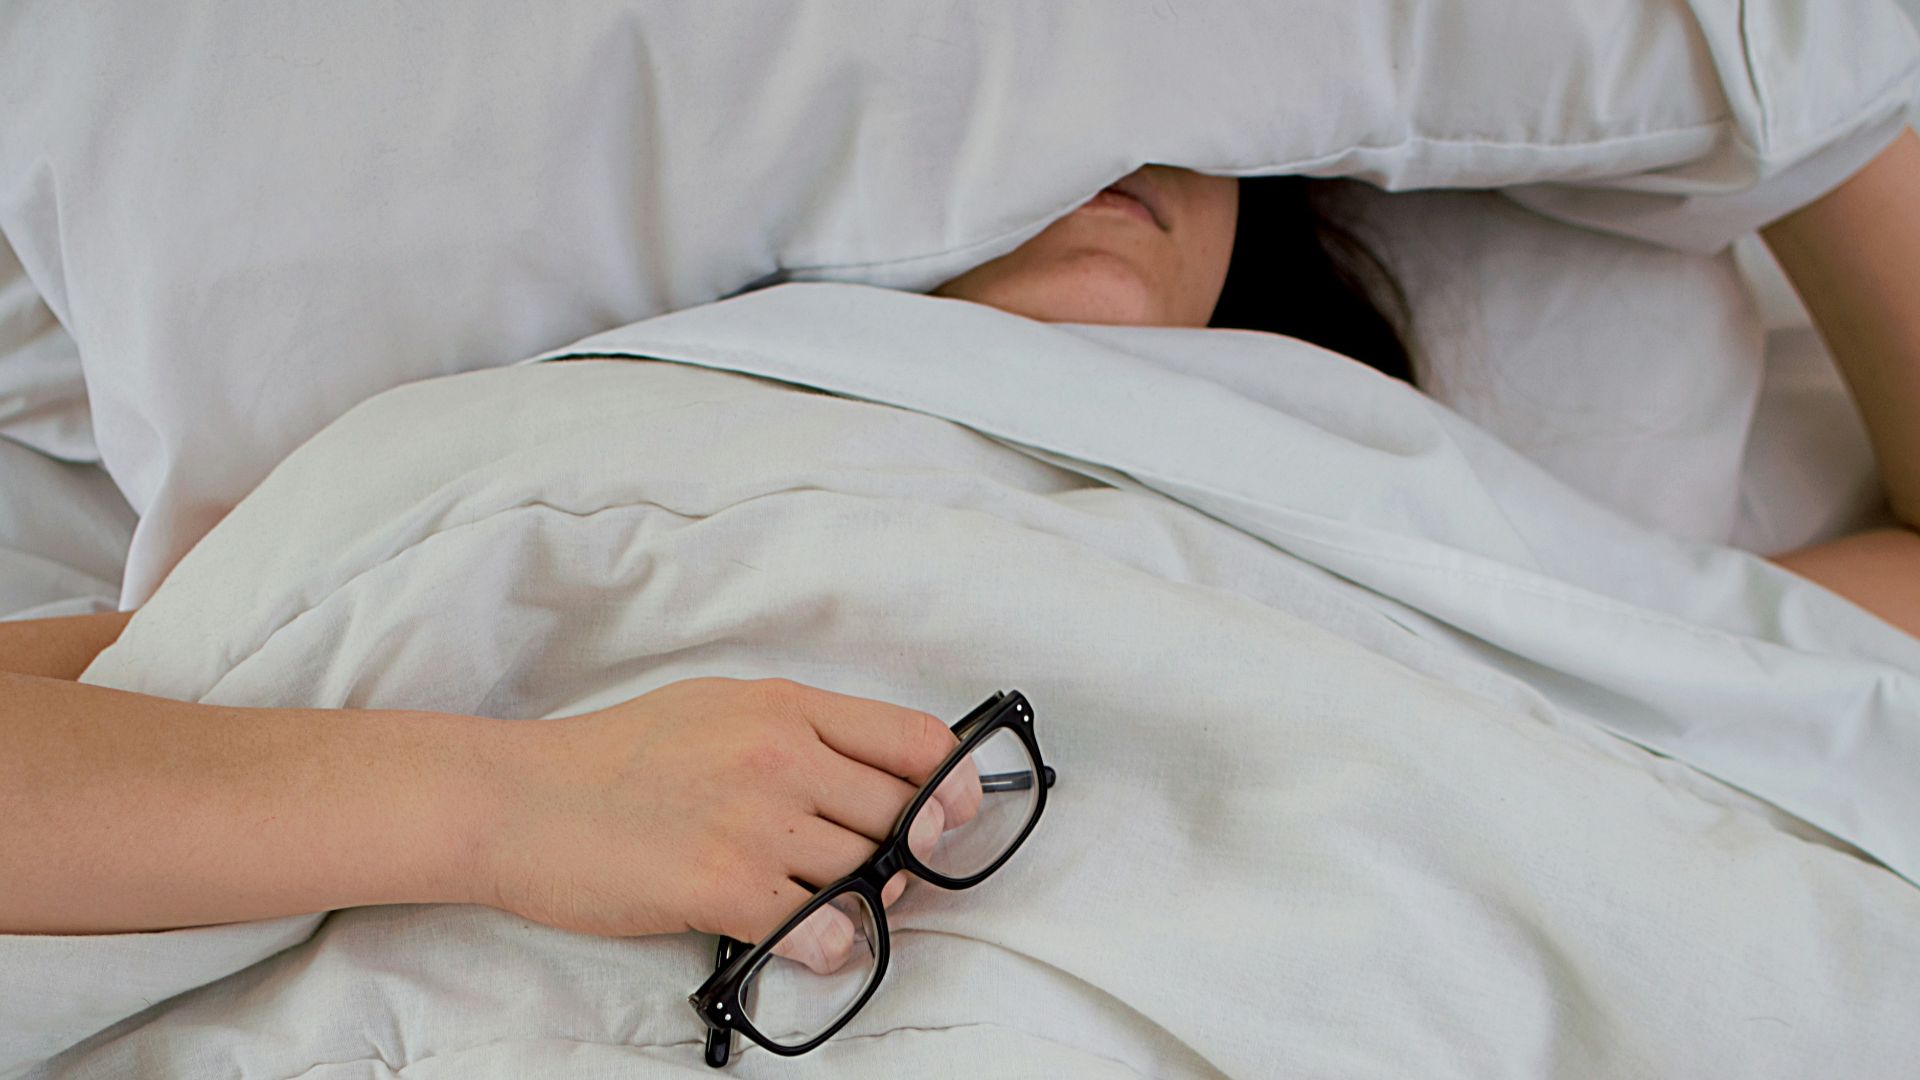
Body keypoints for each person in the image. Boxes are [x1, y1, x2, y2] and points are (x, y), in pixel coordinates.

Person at [3, 135, 1917, 973]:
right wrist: (508, 804)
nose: (1103, 134)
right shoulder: (572, 459)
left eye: (1162, 81)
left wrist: (1800, 86)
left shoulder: (1409, 518)